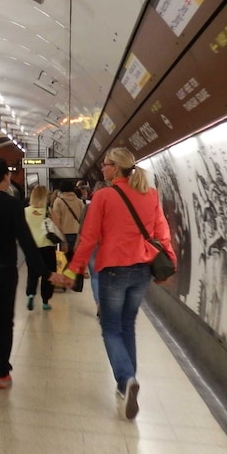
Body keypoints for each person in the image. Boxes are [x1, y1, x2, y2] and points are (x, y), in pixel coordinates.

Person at [60, 148, 177, 420]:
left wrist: (72, 270)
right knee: (128, 327)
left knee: (111, 328)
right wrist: (169, 261)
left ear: (116, 168)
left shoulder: (103, 197)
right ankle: (126, 383)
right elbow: (162, 233)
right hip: (142, 271)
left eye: (106, 164)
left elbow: (88, 239)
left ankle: (126, 380)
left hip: (114, 270)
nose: (102, 168)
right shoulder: (151, 194)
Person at [0, 158, 58, 404]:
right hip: (4, 274)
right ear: (5, 177)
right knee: (3, 324)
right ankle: (1, 374)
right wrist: (46, 273)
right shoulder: (14, 205)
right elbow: (27, 243)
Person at [23, 185, 65, 311]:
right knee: (48, 275)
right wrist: (63, 241)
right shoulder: (48, 210)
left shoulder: (25, 211)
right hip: (47, 247)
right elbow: (59, 227)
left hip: (32, 249)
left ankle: (31, 294)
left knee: (32, 273)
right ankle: (45, 301)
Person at [79, 180, 111, 316]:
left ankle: (99, 303)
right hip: (109, 246)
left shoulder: (88, 207)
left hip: (93, 246)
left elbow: (82, 228)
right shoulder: (115, 207)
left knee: (96, 277)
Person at [52, 179, 84, 262]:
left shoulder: (58, 201)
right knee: (76, 260)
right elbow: (84, 219)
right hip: (78, 234)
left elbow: (56, 221)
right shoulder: (79, 202)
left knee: (64, 261)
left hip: (64, 235)